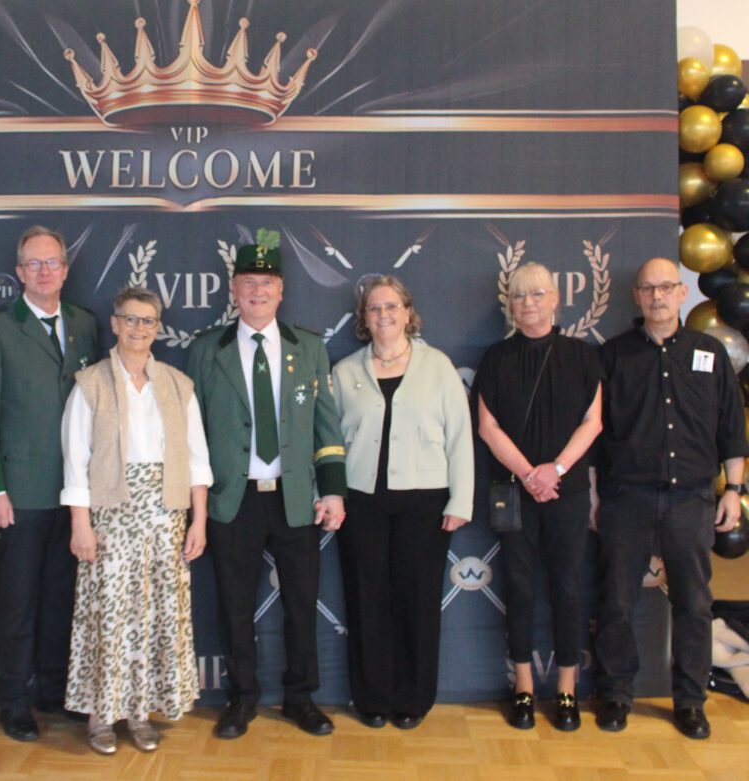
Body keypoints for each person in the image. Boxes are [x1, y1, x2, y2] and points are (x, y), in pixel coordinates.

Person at [186, 229, 347, 739]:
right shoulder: (206, 350)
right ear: (233, 290)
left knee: (301, 604)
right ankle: (241, 700)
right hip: (232, 500)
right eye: (248, 282)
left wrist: (333, 490)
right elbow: (192, 432)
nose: (258, 291)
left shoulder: (309, 348)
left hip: (294, 498)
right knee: (234, 608)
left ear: (282, 291)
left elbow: (326, 426)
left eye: (267, 282)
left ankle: (301, 698)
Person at [594, 257, 748, 739]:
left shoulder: (710, 353)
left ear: (682, 294)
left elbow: (731, 427)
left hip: (692, 500)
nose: (657, 296)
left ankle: (690, 701)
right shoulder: (613, 356)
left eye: (665, 287)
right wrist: (596, 496)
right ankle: (616, 694)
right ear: (636, 296)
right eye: (647, 288)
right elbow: (596, 434)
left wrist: (734, 490)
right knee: (616, 601)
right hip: (626, 498)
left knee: (694, 605)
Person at [60, 287, 213, 754]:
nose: (138, 328)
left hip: (166, 516)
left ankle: (141, 713)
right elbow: (76, 460)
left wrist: (198, 521)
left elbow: (197, 461)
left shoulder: (177, 385)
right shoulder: (90, 383)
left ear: (157, 328)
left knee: (155, 616)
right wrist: (81, 524)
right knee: (110, 615)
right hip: (110, 515)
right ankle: (102, 716)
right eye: (130, 319)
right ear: (115, 324)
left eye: (147, 321)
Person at [0, 225, 98, 741]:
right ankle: (15, 700)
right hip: (18, 494)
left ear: (66, 269)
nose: (44, 271)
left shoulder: (85, 324)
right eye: (34, 264)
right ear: (20, 272)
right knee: (17, 604)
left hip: (75, 492)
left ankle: (54, 691)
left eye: (53, 262)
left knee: (61, 599)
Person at [331, 274, 473, 729]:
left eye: (392, 306)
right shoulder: (345, 371)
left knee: (417, 599)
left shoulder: (438, 366)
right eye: (374, 308)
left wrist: (461, 500)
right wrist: (328, 494)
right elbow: (329, 440)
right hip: (361, 501)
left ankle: (413, 699)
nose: (384, 315)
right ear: (363, 318)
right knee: (366, 599)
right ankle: (372, 698)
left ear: (408, 313)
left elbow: (460, 436)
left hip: (425, 502)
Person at [475, 262, 603, 731]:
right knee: (520, 588)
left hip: (567, 493)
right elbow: (488, 427)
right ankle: (524, 687)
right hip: (515, 491)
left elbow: (593, 422)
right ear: (509, 305)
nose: (527, 303)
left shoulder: (583, 356)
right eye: (518, 296)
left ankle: (567, 688)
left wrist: (557, 470)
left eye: (536, 294)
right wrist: (530, 474)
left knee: (568, 587)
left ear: (555, 300)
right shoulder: (496, 358)